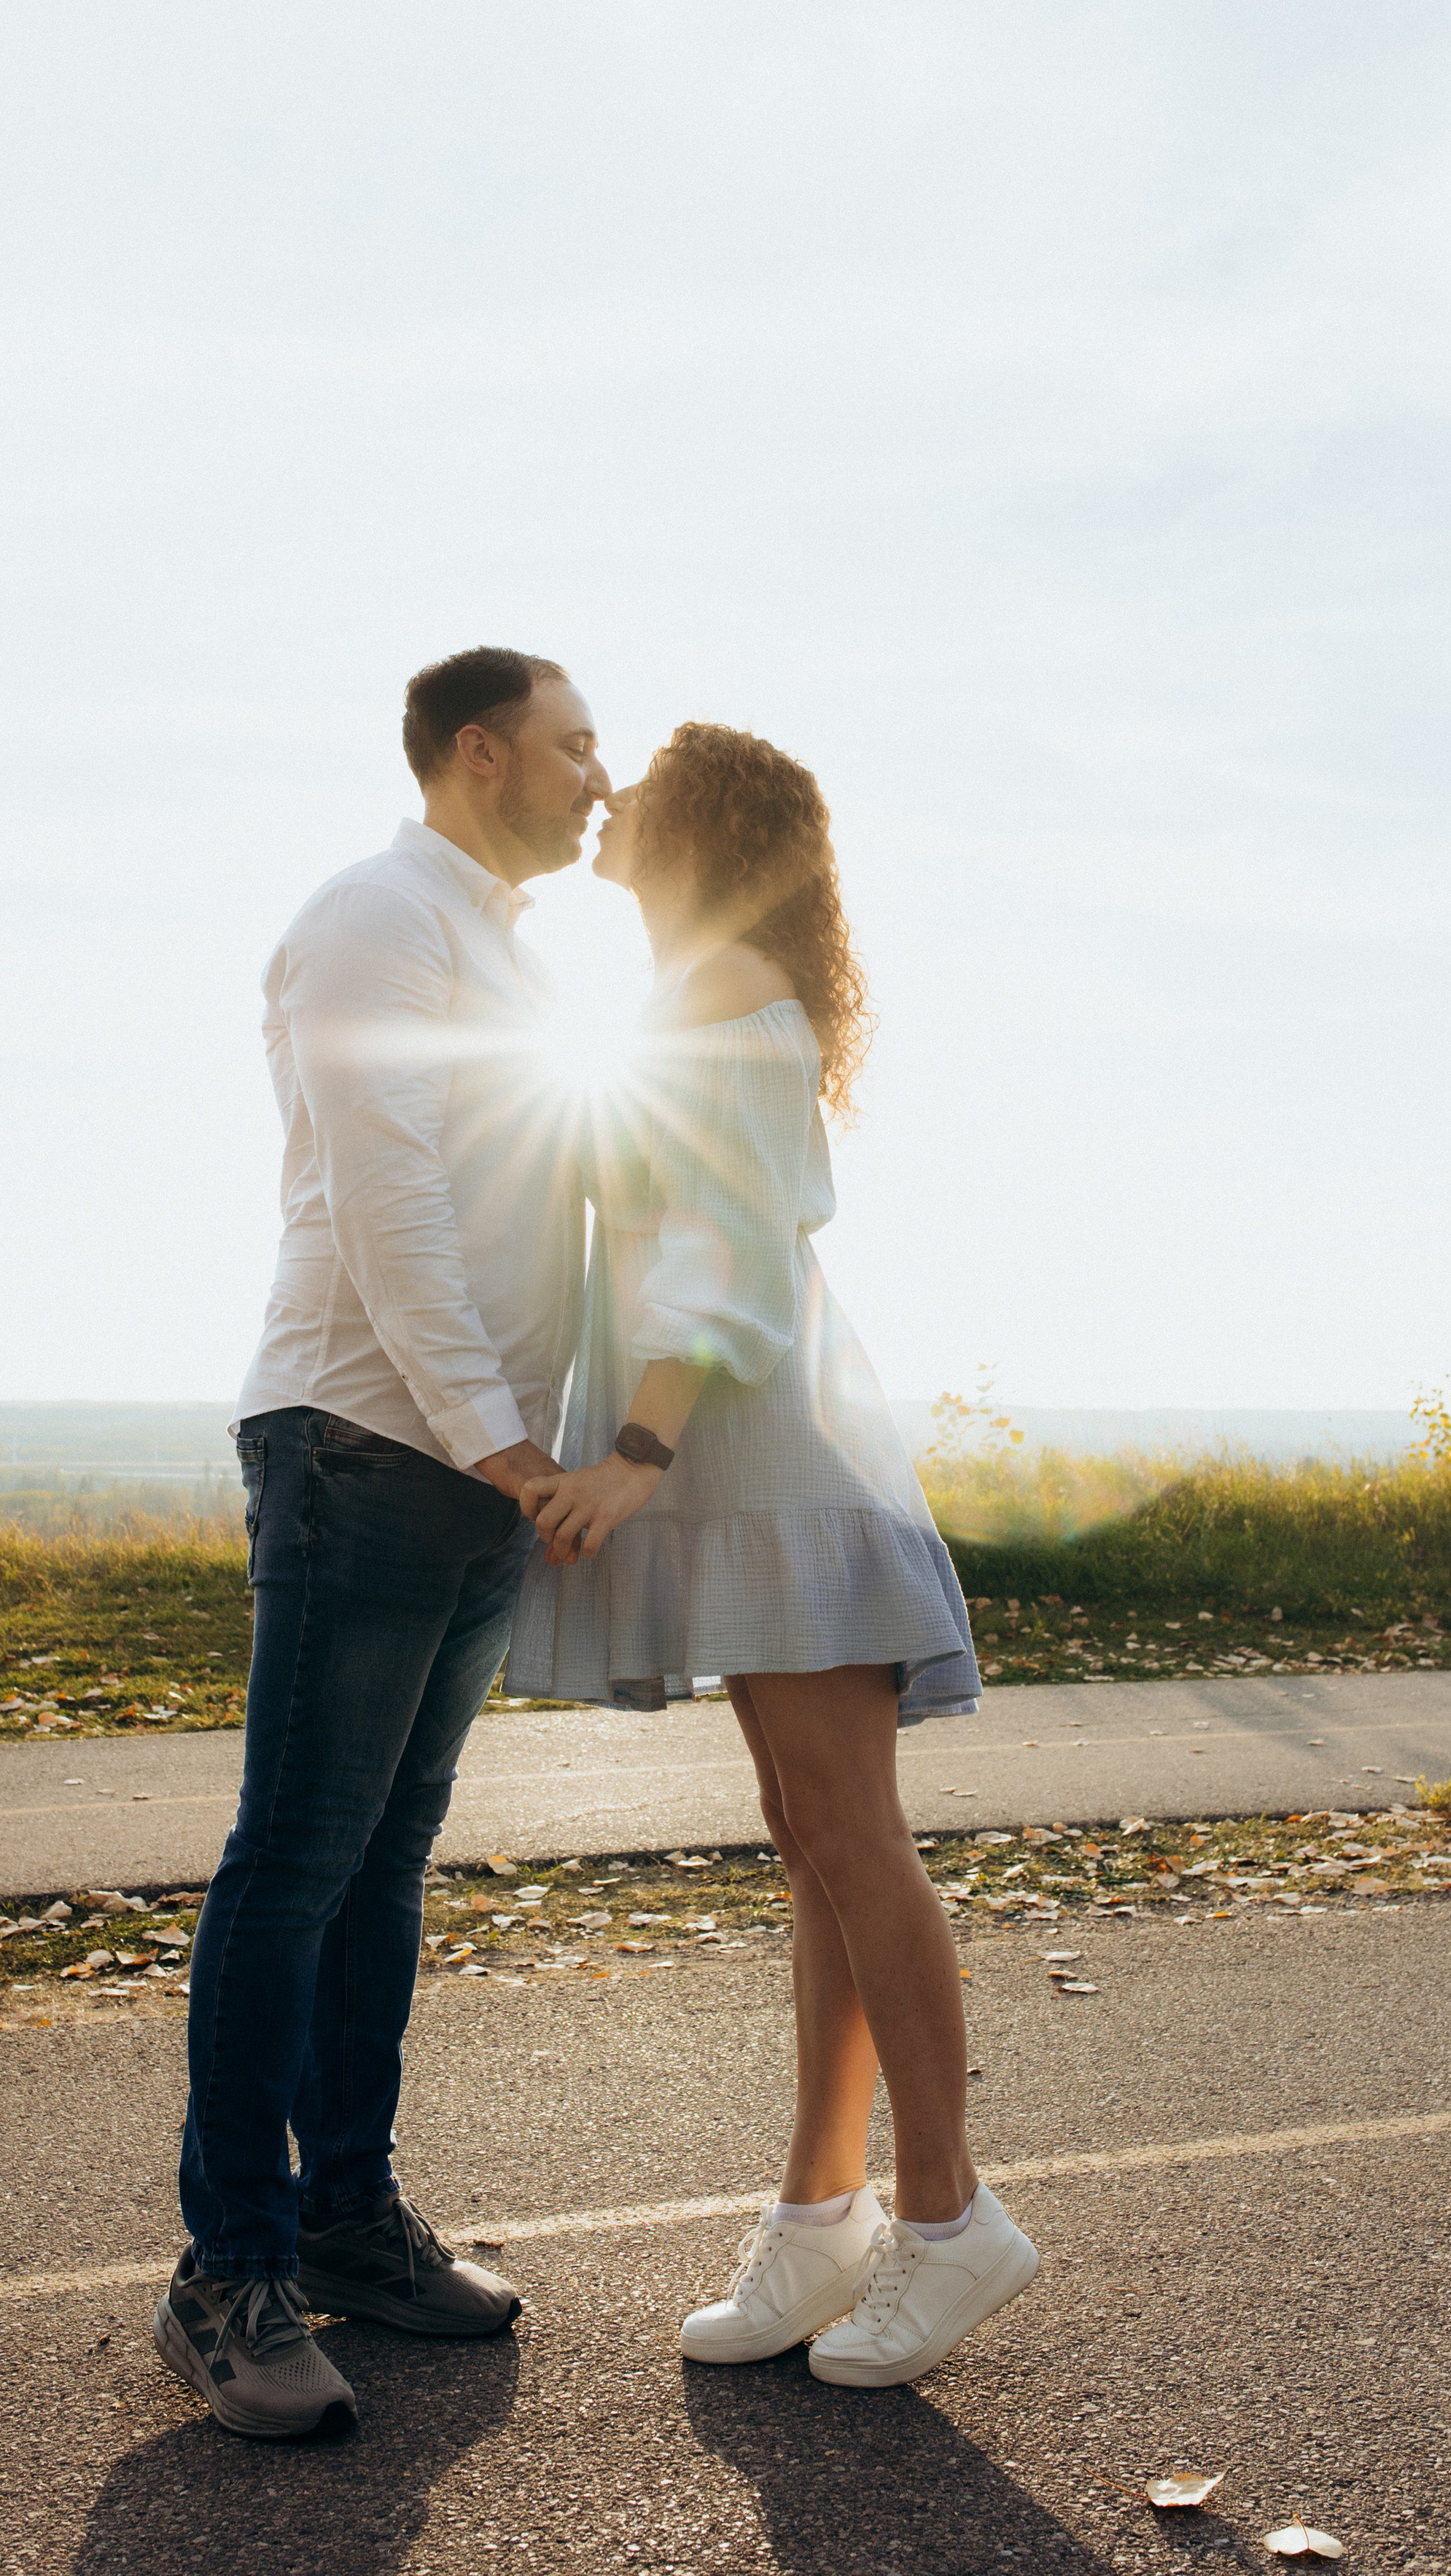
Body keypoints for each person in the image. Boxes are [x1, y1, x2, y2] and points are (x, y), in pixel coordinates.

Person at [506, 721, 1039, 2389]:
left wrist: (634, 1455)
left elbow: (725, 1248)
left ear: (701, 822)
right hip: (740, 1477)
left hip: (762, 1468)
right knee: (806, 1840)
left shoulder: (725, 988)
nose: (609, 789)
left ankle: (952, 2222)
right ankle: (823, 2218)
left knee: (849, 1840)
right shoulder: (682, 990)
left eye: (636, 772)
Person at [155, 646, 610, 2439]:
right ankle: (230, 2268)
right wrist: (498, 1434)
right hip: (367, 1438)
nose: (602, 773)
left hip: (475, 1463)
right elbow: (383, 1187)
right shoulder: (374, 917)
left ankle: (345, 2218)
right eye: (576, 744)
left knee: (385, 1863)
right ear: (480, 751)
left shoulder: (508, 946)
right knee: (296, 1861)